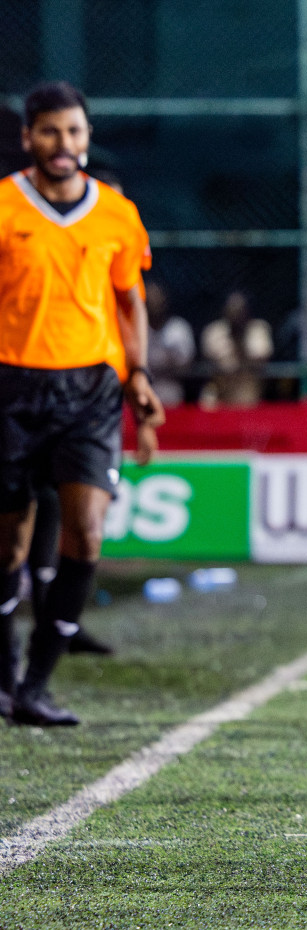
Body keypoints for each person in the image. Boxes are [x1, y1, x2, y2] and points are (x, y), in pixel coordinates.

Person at [0, 81, 163, 726]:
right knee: (8, 547)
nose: (62, 143)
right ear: (28, 137)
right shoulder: (4, 205)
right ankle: (5, 676)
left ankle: (36, 687)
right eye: (49, 131)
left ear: (87, 136)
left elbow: (129, 300)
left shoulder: (117, 214)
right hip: (11, 387)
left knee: (87, 534)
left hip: (90, 390)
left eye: (73, 131)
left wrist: (139, 373)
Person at [199, 291, 272, 408]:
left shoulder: (258, 329)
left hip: (247, 388)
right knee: (206, 403)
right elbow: (210, 359)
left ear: (247, 311)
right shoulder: (213, 331)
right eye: (232, 310)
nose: (235, 315)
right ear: (224, 310)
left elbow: (261, 357)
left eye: (240, 310)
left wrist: (240, 338)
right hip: (219, 388)